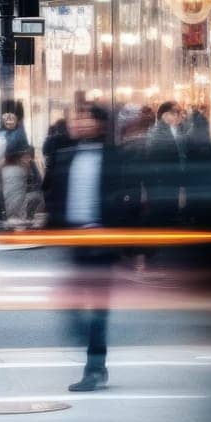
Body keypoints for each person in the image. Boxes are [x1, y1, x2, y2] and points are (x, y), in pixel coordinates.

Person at [44, 104, 134, 392]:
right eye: (76, 117)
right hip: (74, 242)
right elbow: (52, 196)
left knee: (97, 309)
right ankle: (94, 357)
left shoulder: (117, 158)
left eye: (86, 118)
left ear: (100, 124)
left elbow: (127, 200)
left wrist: (124, 240)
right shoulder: (64, 156)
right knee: (69, 305)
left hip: (103, 243)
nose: (79, 123)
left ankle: (94, 368)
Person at [145, 101, 186, 225]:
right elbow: (154, 157)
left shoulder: (176, 130)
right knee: (162, 213)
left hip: (170, 179)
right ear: (165, 115)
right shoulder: (157, 132)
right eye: (177, 113)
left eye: (181, 112)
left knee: (170, 210)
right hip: (162, 181)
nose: (181, 116)